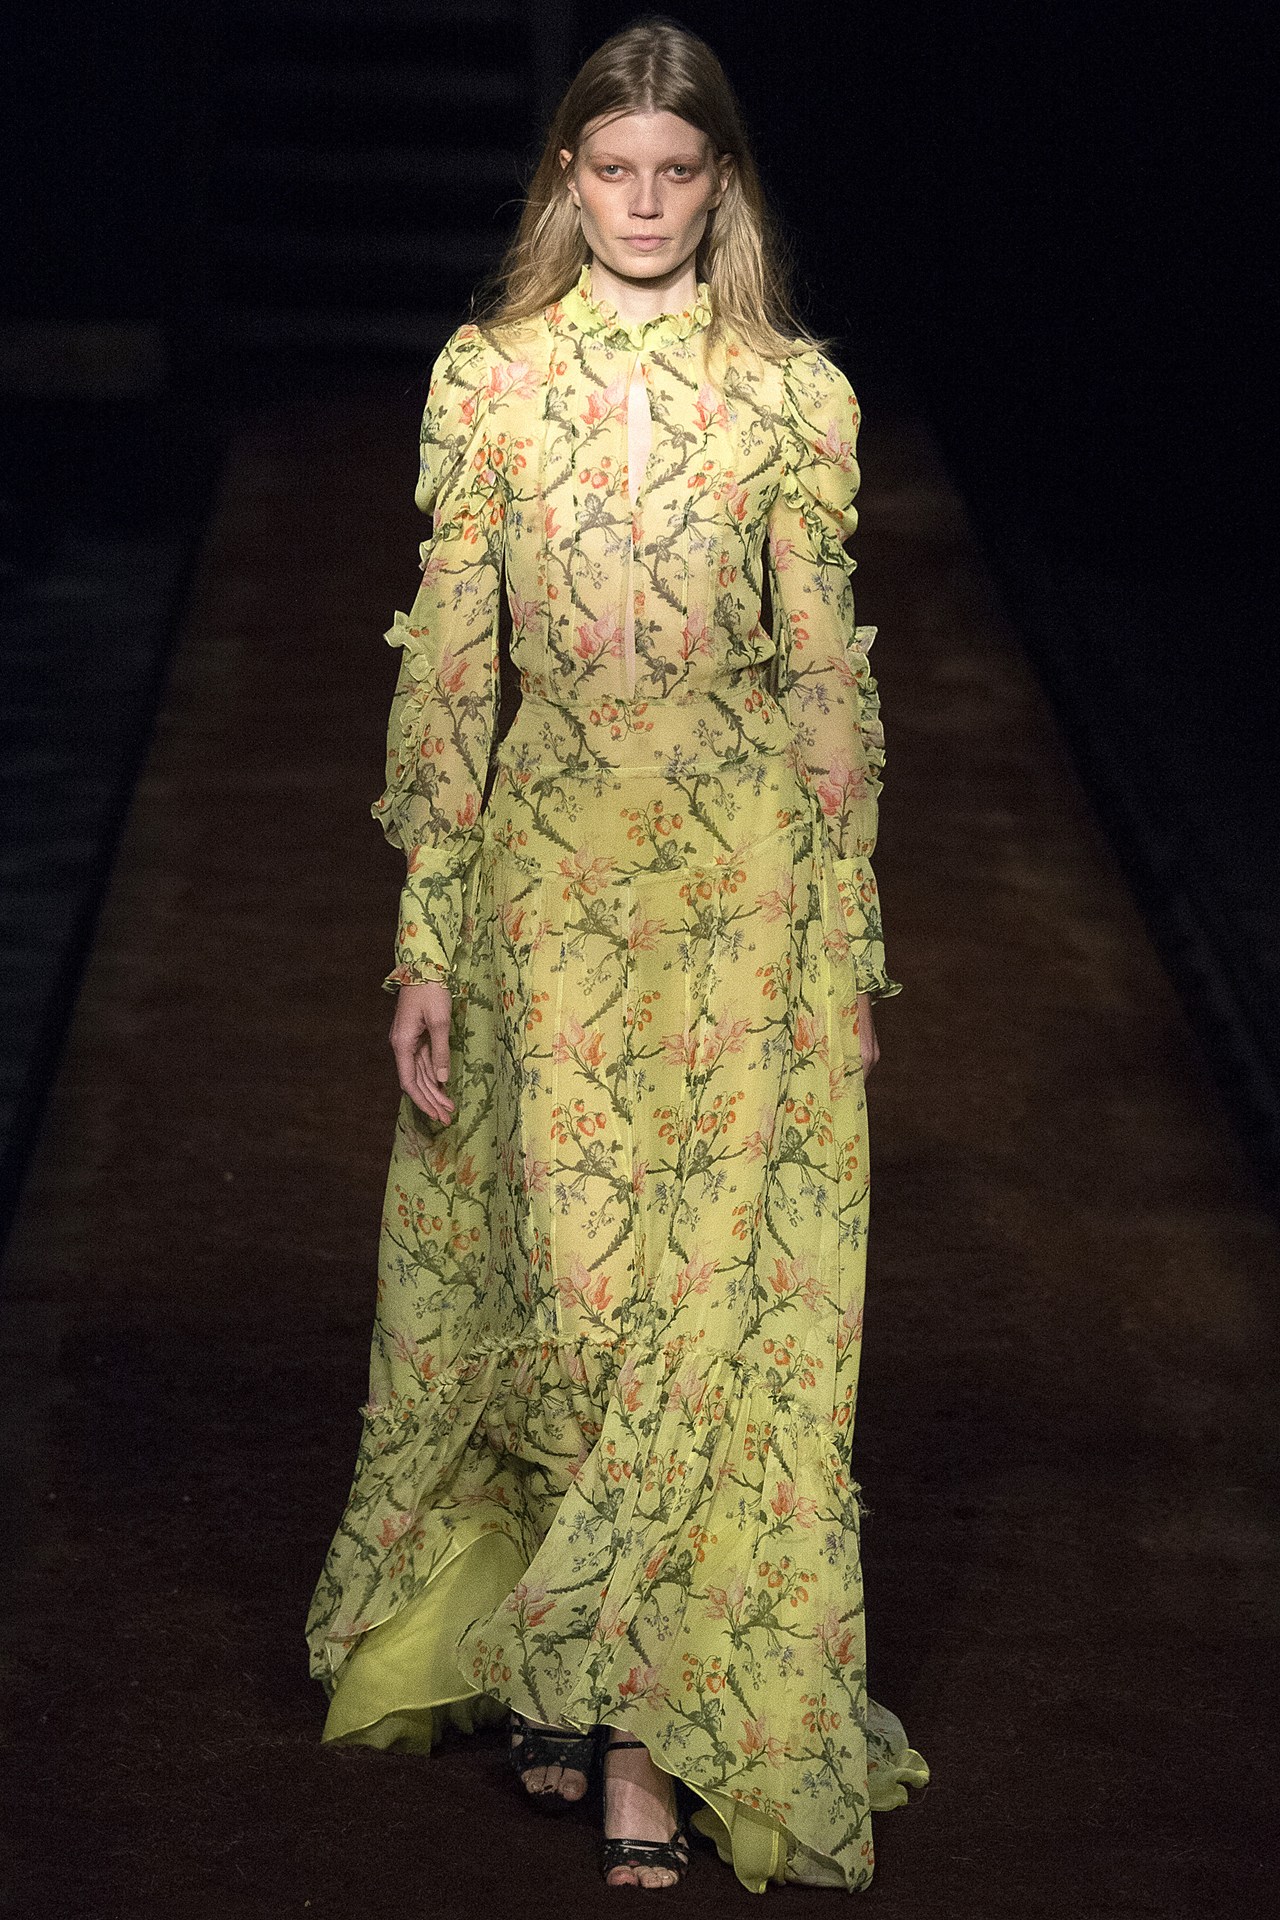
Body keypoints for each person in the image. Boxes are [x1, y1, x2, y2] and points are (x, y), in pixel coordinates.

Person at [305, 13, 929, 1893]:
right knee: (581, 1298)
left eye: (677, 172)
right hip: (552, 885)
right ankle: (567, 1646)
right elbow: (451, 677)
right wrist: (425, 942)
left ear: (719, 187)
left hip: (747, 894)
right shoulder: (489, 382)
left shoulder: (790, 394)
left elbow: (824, 680)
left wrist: (851, 947)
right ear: (565, 182)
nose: (645, 204)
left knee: (714, 1305)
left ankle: (643, 1732)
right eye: (613, 171)